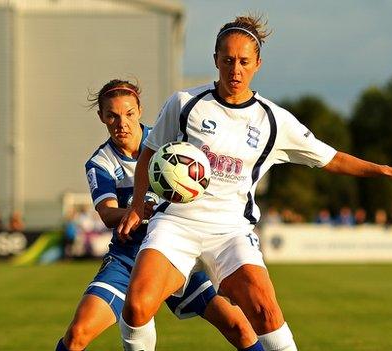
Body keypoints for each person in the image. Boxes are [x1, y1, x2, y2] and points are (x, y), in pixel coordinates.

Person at [119, 15, 392, 351]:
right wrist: (137, 206)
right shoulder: (184, 103)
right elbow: (149, 153)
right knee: (136, 307)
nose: (235, 70)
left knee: (266, 312)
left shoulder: (273, 120)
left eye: (244, 62)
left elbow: (332, 157)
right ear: (215, 61)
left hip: (230, 231)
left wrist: (386, 171)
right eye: (227, 60)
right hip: (177, 224)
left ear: (258, 64)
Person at [55, 79, 261, 351]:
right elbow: (106, 214)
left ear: (140, 110)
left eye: (128, 114)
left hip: (176, 254)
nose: (122, 123)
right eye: (112, 116)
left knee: (241, 328)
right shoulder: (101, 162)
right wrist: (137, 210)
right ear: (102, 117)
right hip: (128, 258)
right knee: (77, 335)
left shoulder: (169, 145)